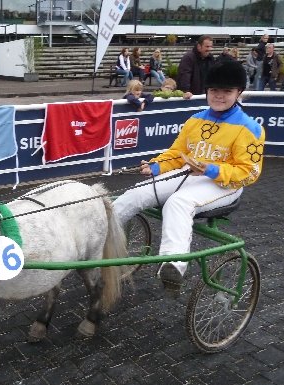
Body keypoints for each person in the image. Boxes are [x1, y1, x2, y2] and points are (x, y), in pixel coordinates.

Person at [112, 60, 265, 295]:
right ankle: (97, 236)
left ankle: (174, 265)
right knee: (138, 192)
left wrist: (211, 170)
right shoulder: (195, 120)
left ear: (238, 93)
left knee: (178, 202)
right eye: (214, 90)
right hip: (191, 174)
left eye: (227, 91)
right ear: (207, 91)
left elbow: (249, 172)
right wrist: (156, 166)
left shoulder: (250, 129)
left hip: (225, 184)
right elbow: (177, 154)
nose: (219, 96)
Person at [177, 35, 215, 99]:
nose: (209, 49)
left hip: (205, 96)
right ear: (199, 46)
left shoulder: (210, 59)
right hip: (191, 97)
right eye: (207, 46)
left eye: (211, 46)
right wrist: (186, 91)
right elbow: (184, 76)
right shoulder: (188, 58)